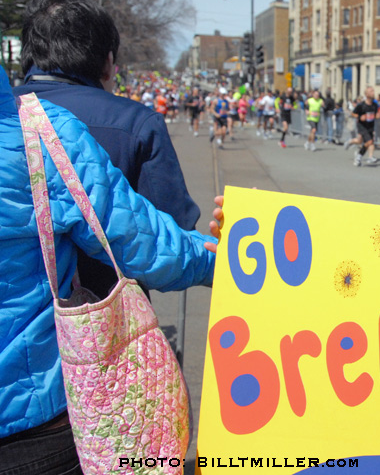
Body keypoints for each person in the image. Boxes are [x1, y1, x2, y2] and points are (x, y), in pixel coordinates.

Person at [0, 66, 219, 474]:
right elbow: (148, 244)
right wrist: (234, 261)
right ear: (107, 62)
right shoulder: (36, 131)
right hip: (32, 419)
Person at [14, 0, 204, 298]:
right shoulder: (135, 123)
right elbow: (173, 235)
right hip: (105, 320)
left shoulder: (8, 114)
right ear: (108, 62)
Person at [349, 86, 380, 166]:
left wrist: (378, 115)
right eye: (371, 91)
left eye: (373, 91)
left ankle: (359, 156)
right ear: (367, 94)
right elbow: (352, 114)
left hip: (370, 126)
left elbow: (374, 115)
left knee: (369, 143)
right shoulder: (361, 105)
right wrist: (360, 117)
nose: (373, 92)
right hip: (362, 126)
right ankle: (360, 156)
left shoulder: (374, 105)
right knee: (369, 142)